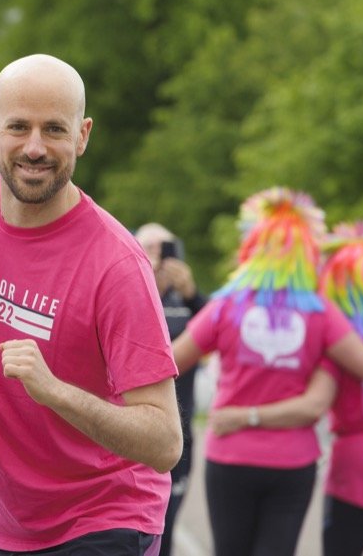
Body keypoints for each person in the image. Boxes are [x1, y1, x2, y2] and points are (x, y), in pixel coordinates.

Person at [0, 54, 182, 556]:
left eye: (54, 130)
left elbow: (165, 441)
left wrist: (57, 393)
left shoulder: (116, 264)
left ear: (82, 136)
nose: (35, 148)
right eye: (19, 127)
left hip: (102, 522)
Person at [172, 190, 363, 556]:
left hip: (231, 454)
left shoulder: (228, 305)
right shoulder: (320, 313)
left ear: (255, 245)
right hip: (293, 459)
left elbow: (170, 361)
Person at [134, 223, 207, 556]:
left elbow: (218, 331)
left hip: (180, 428)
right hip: (133, 428)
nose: (157, 255)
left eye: (164, 247)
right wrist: (141, 283)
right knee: (133, 526)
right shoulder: (127, 291)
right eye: (147, 247)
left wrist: (191, 294)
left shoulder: (186, 298)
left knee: (168, 524)